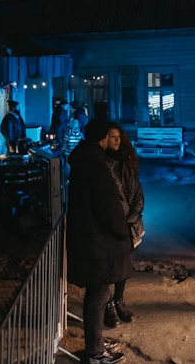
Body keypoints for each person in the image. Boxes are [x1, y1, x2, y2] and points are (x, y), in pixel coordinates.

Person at [66, 121, 131, 364]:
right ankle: (95, 353)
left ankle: (96, 342)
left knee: (98, 295)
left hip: (90, 239)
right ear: (103, 136)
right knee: (99, 295)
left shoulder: (85, 160)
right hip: (98, 243)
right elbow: (107, 207)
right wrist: (123, 231)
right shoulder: (95, 164)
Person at [103, 123, 145, 329]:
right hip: (109, 225)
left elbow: (137, 194)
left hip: (128, 225)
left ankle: (119, 301)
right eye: (112, 137)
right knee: (107, 268)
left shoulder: (125, 164)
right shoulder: (102, 165)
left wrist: (133, 216)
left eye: (118, 137)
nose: (116, 140)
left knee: (124, 266)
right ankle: (108, 304)